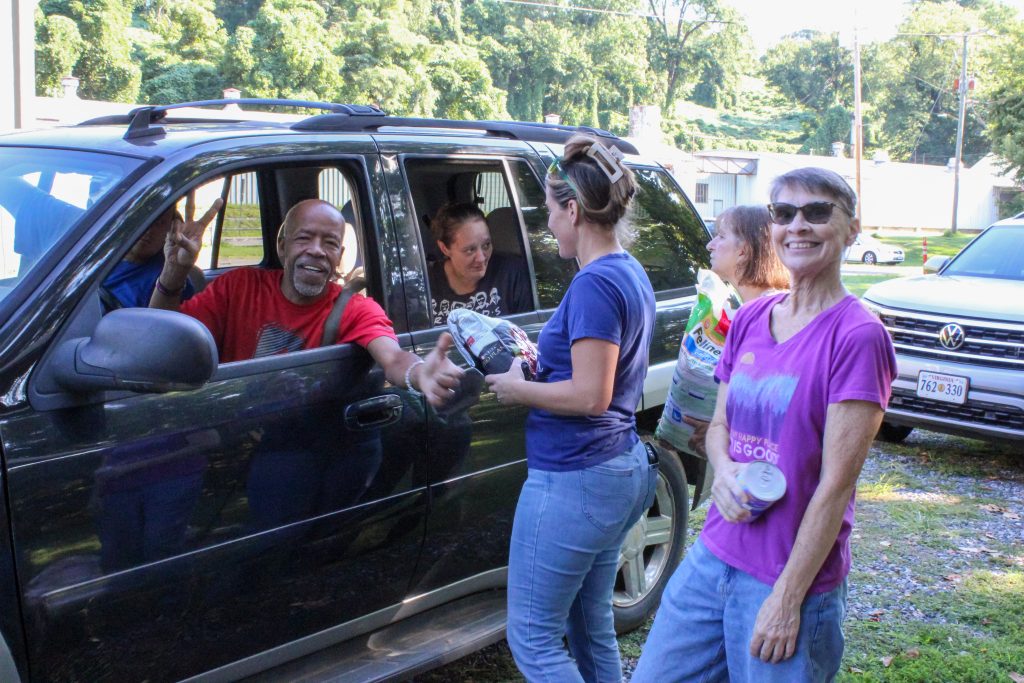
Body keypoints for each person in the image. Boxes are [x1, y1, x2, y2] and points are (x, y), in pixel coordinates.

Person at [632, 167, 897, 683]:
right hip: (714, 556)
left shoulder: (858, 336)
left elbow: (835, 486)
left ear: (852, 229)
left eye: (817, 212)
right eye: (784, 213)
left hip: (786, 576)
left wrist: (787, 598)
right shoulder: (752, 318)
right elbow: (718, 428)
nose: (798, 225)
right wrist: (726, 471)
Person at [485, 135, 658, 682]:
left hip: (577, 476)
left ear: (574, 210)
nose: (548, 226)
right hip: (617, 469)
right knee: (590, 627)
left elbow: (590, 396)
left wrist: (517, 389)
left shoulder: (594, 285)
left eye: (550, 213)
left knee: (534, 640)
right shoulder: (628, 270)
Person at [150, 195, 463, 406]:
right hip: (231, 433)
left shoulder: (355, 308)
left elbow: (394, 358)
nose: (316, 250)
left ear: (340, 256)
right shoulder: (238, 287)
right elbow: (160, 346)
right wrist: (175, 271)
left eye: (330, 243)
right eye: (304, 238)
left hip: (300, 445)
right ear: (283, 246)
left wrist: (419, 373)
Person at [681, 204, 790, 457]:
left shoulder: (774, 316)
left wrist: (726, 436)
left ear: (743, 250)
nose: (711, 245)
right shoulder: (748, 311)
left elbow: (777, 411)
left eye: (720, 235)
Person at [428, 201, 531, 326]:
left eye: (486, 245)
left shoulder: (512, 274)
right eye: (470, 250)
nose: (481, 258)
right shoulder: (426, 284)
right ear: (444, 248)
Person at [101, 206, 196, 311]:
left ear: (171, 231)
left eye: (160, 223)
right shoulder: (101, 257)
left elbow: (163, 325)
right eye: (143, 217)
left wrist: (173, 275)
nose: (149, 229)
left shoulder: (172, 279)